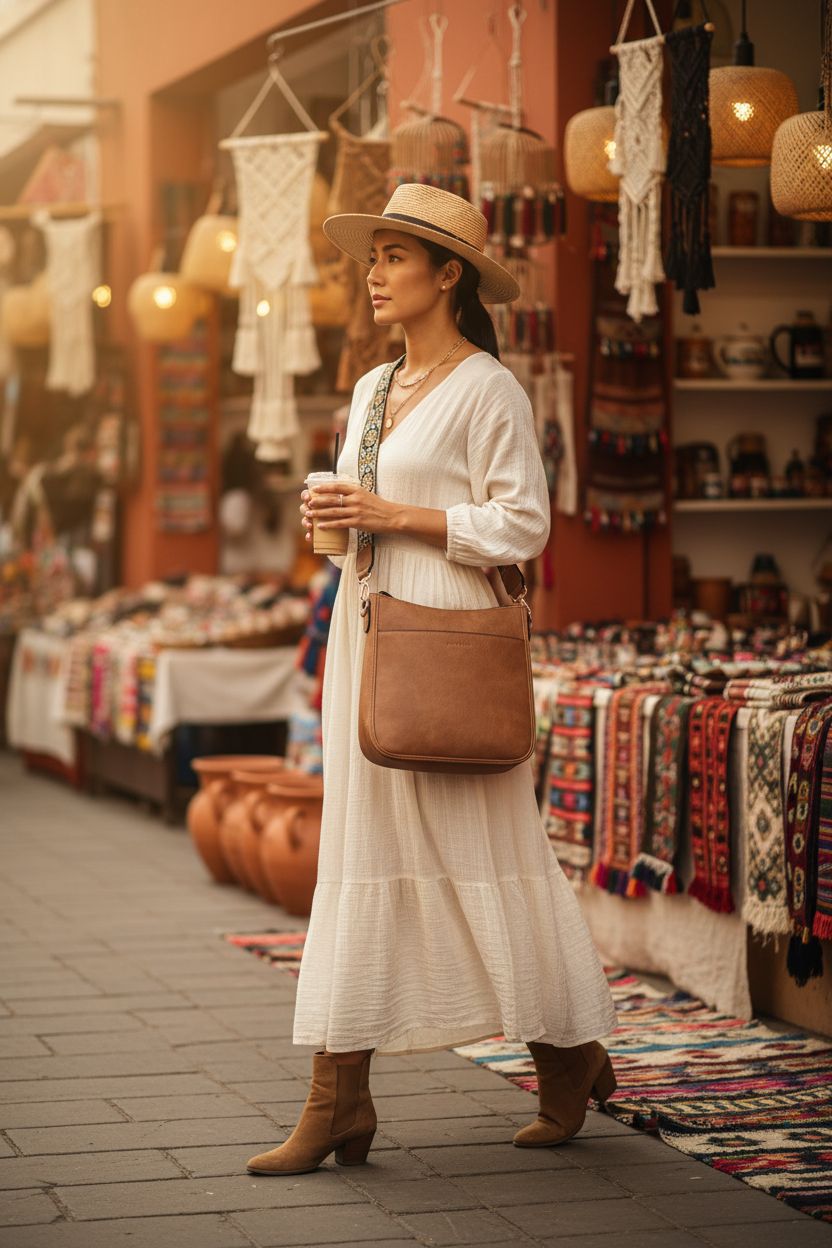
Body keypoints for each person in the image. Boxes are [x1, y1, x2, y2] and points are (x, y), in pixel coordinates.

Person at [247, 184, 617, 1178]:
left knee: (482, 844)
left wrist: (396, 514)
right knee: (359, 853)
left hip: (449, 636)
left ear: (446, 274)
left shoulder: (488, 386)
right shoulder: (371, 391)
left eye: (392, 258)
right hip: (371, 629)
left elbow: (523, 525)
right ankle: (340, 1101)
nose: (371, 275)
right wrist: (329, 519)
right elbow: (350, 523)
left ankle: (569, 1052)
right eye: (369, 260)